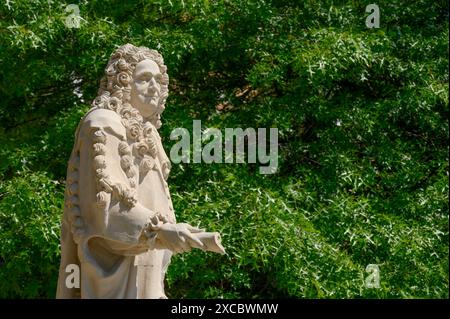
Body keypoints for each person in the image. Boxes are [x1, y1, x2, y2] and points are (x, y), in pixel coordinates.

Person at [56, 44, 222, 299]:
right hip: (115, 279)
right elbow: (104, 208)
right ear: (122, 83)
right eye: (144, 79)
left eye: (159, 81)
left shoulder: (148, 133)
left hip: (148, 275)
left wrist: (173, 231)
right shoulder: (103, 122)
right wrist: (158, 231)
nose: (155, 87)